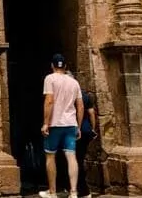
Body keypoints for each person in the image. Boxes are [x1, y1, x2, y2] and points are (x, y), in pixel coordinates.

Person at [39, 54, 84, 198]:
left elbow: (49, 101)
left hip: (55, 124)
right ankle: (74, 192)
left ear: (52, 66)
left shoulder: (50, 78)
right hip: (71, 123)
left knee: (50, 156)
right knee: (71, 156)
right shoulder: (74, 82)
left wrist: (46, 122)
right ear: (65, 66)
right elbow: (80, 105)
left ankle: (52, 192)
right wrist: (79, 126)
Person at [76, 85, 98, 197]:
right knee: (80, 158)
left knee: (75, 161)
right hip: (86, 130)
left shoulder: (71, 95)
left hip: (75, 131)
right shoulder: (86, 96)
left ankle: (81, 189)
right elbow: (91, 113)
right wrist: (92, 129)